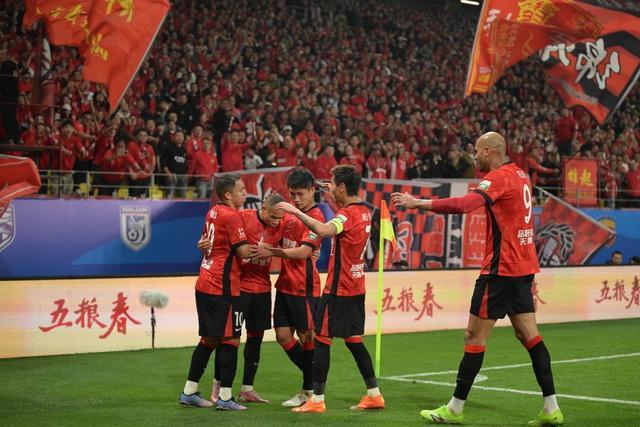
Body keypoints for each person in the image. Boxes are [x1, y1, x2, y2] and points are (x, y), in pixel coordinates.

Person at [392, 132, 563, 426]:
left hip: (499, 271)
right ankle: (552, 408)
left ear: (487, 151)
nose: (473, 157)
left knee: (474, 336)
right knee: (530, 336)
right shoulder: (520, 175)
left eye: (475, 151)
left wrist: (419, 203)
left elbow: (464, 204)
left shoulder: (497, 178)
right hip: (523, 269)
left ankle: (455, 409)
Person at [277, 164, 384, 413]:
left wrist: (294, 211)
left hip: (338, 289)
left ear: (342, 187)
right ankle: (374, 394)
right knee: (354, 341)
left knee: (322, 340)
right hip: (356, 287)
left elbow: (325, 230)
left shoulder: (346, 215)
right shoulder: (364, 211)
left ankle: (316, 400)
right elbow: (342, 218)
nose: (331, 188)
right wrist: (330, 191)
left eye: (333, 184)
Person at [179, 174, 255, 411]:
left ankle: (189, 392)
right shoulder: (231, 216)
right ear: (228, 194)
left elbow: (205, 242)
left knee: (209, 339)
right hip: (223, 287)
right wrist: (268, 250)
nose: (245, 193)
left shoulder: (213, 211)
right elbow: (243, 252)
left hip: (205, 281)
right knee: (231, 339)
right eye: (241, 189)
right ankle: (225, 398)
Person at [254, 168, 325, 407]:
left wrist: (272, 252)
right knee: (283, 335)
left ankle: (308, 390)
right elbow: (274, 234)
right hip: (284, 284)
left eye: (300, 194)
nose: (296, 199)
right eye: (292, 194)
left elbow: (303, 252)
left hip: (304, 287)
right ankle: (314, 377)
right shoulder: (288, 214)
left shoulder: (316, 217)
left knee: (306, 336)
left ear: (312, 191)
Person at [229, 193, 286, 404]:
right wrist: (204, 244)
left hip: (262, 288)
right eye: (273, 217)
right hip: (239, 287)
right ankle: (220, 387)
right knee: (230, 339)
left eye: (279, 218)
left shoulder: (282, 224)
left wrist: (314, 251)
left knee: (255, 339)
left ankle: (247, 389)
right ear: (263, 208)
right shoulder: (242, 217)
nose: (276, 221)